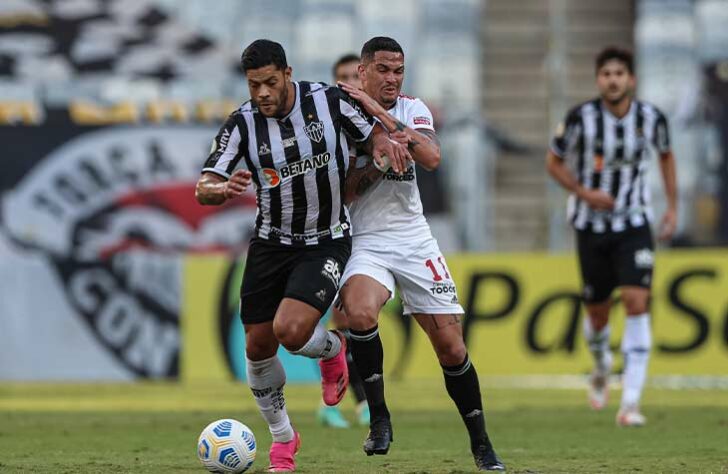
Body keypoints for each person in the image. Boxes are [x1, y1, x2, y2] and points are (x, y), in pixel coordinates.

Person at [195, 39, 410, 471]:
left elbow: (375, 134)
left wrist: (386, 148)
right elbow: (204, 187)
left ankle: (331, 351)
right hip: (270, 242)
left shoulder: (328, 102)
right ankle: (283, 439)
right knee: (257, 347)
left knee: (290, 331)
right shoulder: (242, 123)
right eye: (254, 85)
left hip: (325, 239)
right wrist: (220, 189)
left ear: (288, 74)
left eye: (270, 83)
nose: (262, 94)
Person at [336, 37, 505, 471]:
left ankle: (481, 444)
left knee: (450, 346)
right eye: (384, 70)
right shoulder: (340, 118)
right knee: (359, 313)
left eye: (398, 71)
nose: (392, 79)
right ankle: (379, 419)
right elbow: (345, 193)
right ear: (363, 71)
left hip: (414, 238)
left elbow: (431, 156)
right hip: (367, 238)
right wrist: (377, 161)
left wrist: (383, 119)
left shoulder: (414, 109)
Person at [546, 46, 677, 427]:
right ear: (598, 79)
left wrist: (671, 207)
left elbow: (667, 156)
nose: (613, 79)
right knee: (598, 312)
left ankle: (631, 403)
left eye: (620, 73)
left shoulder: (652, 118)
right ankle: (602, 364)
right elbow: (553, 161)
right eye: (607, 73)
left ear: (631, 79)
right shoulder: (580, 118)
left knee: (637, 301)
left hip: (634, 223)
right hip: (590, 226)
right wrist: (585, 193)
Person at [315, 53, 370, 430]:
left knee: (361, 320)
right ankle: (352, 403)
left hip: (371, 235)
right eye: (342, 77)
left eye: (355, 75)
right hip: (335, 233)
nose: (349, 82)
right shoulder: (324, 126)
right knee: (344, 319)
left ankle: (349, 401)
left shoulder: (374, 123)